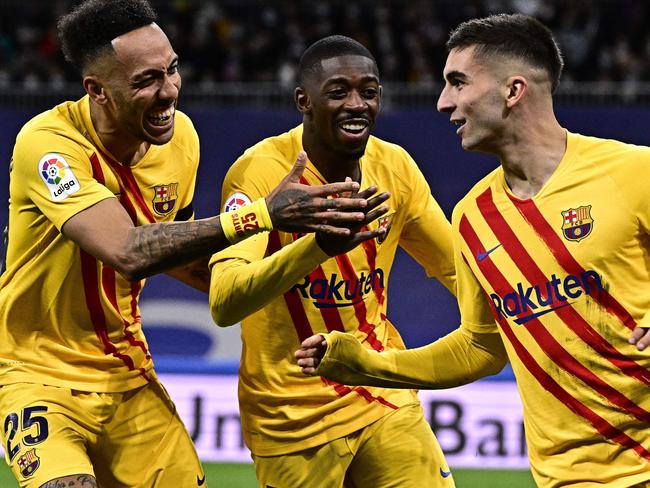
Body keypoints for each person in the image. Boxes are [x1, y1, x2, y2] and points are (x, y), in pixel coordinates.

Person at [0, 1, 385, 487]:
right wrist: (263, 214)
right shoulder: (49, 145)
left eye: (173, 69)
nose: (169, 93)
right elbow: (130, 251)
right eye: (146, 81)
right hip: (38, 377)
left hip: (126, 374)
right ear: (97, 90)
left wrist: (286, 281)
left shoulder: (179, 139)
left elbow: (175, 251)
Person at [296, 13, 650, 488]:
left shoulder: (633, 173)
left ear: (513, 90)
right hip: (569, 479)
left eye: (457, 82)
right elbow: (480, 348)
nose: (443, 103)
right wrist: (362, 362)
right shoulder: (473, 217)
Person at [208, 35, 456, 488]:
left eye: (369, 91)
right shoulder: (260, 173)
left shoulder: (395, 166)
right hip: (291, 417)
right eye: (338, 92)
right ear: (304, 100)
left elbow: (456, 268)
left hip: (381, 390)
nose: (357, 104)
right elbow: (225, 301)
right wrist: (317, 246)